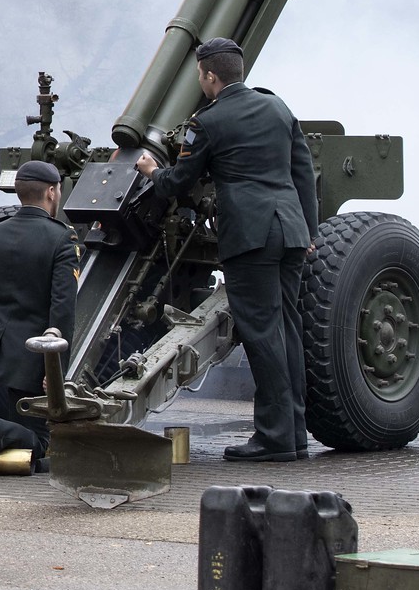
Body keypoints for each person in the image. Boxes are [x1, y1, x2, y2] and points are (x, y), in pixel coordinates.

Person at [135, 36, 318, 462]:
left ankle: (274, 440)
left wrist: (151, 171)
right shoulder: (277, 107)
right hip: (289, 231)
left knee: (263, 335)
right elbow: (302, 171)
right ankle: (294, 434)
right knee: (287, 331)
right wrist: (307, 230)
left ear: (211, 76)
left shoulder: (208, 122)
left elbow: (179, 181)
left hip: (250, 238)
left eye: (201, 75)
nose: (201, 82)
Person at [0, 160, 80, 477]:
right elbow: (62, 308)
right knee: (39, 444)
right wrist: (56, 368)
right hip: (31, 363)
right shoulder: (63, 239)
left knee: (17, 447)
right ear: (51, 192)